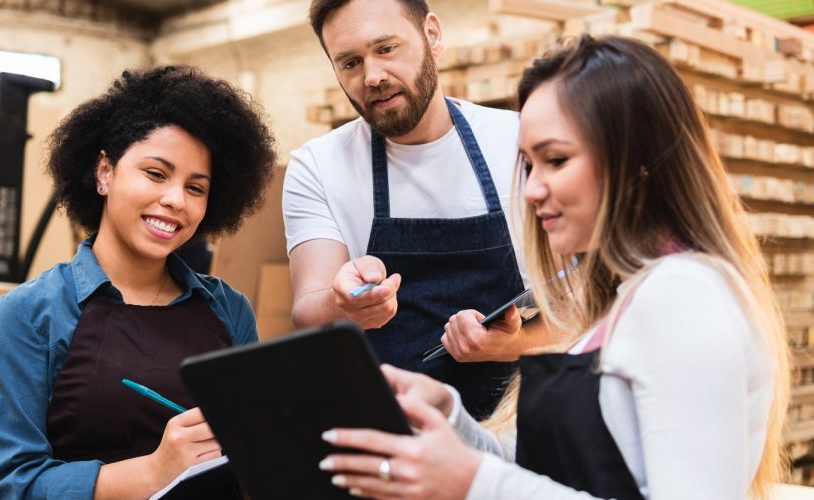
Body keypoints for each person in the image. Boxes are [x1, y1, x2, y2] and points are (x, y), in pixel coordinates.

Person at [315, 35, 790, 499]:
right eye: (529, 165)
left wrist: (471, 484)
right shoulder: (622, 301)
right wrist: (452, 421)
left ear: (638, 162)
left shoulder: (684, 296)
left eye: (556, 160)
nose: (533, 189)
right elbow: (547, 474)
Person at [0, 66, 277, 499]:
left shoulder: (229, 309)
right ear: (104, 172)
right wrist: (155, 471)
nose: (175, 200)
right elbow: (10, 486)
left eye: (196, 187)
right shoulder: (29, 315)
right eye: (156, 174)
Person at [284, 0, 552, 419]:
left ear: (432, 35)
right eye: (350, 63)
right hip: (393, 433)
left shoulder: (520, 141)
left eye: (386, 49)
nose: (372, 76)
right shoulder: (318, 164)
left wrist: (512, 344)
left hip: (520, 427)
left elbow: (584, 308)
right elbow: (307, 309)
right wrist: (345, 305)